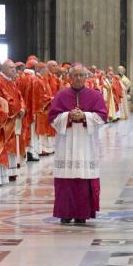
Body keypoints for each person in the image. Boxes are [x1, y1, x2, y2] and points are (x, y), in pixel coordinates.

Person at [49, 64, 107, 224]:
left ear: (86, 77)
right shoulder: (60, 96)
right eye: (75, 75)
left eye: (81, 75)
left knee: (84, 178)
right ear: (69, 77)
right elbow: (52, 118)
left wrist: (84, 116)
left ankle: (82, 214)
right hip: (66, 143)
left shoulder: (95, 95)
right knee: (65, 180)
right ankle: (65, 213)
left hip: (86, 144)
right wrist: (68, 116)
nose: (78, 78)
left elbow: (102, 116)